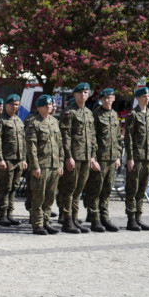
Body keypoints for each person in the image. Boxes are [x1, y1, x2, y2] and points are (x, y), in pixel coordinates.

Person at [58, 82, 98, 233]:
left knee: (78, 190)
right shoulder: (69, 112)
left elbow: (92, 136)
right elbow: (65, 136)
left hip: (86, 157)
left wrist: (93, 156)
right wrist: (68, 156)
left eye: (86, 92)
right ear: (75, 95)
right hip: (74, 157)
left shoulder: (88, 113)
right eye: (80, 93)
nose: (83, 95)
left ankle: (74, 218)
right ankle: (67, 220)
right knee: (69, 189)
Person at [25, 95, 63, 235]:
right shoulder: (33, 122)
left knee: (50, 196)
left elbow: (60, 144)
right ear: (39, 107)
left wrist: (60, 163)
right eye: (46, 105)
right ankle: (38, 224)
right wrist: (35, 166)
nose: (49, 107)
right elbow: (31, 147)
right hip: (41, 165)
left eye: (50, 105)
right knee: (38, 196)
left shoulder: (54, 122)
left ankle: (46, 222)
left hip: (53, 164)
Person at [0, 94, 26, 227]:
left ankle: (10, 214)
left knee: (13, 188)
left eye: (17, 105)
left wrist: (23, 159)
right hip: (6, 160)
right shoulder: (0, 121)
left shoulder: (18, 121)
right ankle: (2, 215)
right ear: (6, 105)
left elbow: (22, 142)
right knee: (4, 188)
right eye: (12, 104)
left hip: (17, 160)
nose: (15, 107)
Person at [88, 88, 121, 232]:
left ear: (114, 98)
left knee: (107, 189)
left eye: (110, 97)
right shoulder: (96, 115)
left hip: (112, 158)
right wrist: (93, 158)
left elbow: (118, 137)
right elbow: (92, 138)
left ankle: (104, 217)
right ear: (101, 100)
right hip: (100, 158)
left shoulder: (114, 115)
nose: (108, 100)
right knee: (96, 189)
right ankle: (95, 219)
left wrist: (118, 156)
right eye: (105, 98)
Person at [123, 86, 149, 231]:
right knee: (132, 188)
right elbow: (128, 138)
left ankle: (138, 217)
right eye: (144, 96)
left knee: (142, 189)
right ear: (137, 98)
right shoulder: (133, 115)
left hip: (147, 157)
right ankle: (131, 219)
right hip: (135, 157)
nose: (147, 98)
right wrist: (129, 158)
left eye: (148, 96)